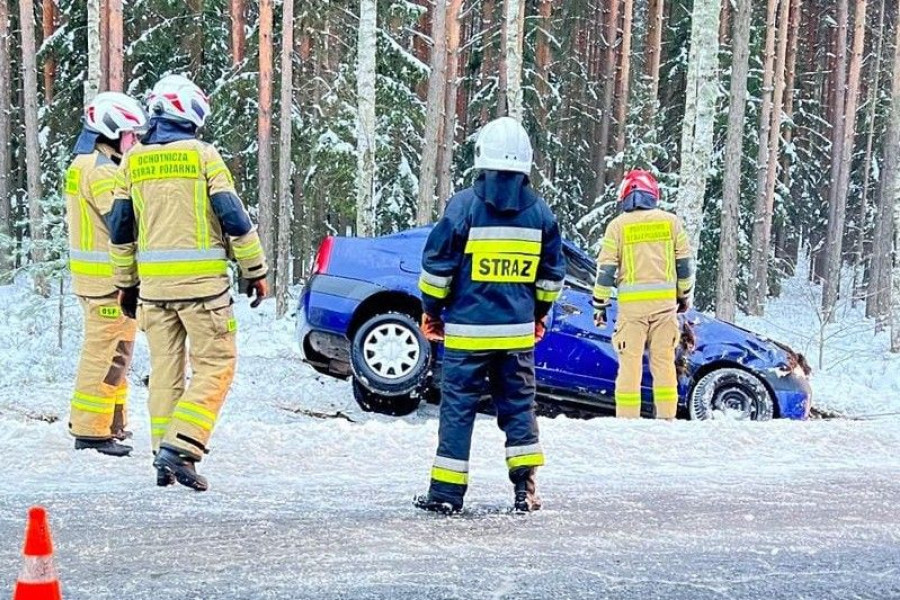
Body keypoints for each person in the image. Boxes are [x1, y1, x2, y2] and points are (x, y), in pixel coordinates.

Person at [107, 75, 268, 490]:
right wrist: (255, 271)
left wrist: (126, 284)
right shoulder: (203, 155)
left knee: (165, 372)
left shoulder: (133, 161)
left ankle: (164, 457)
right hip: (203, 291)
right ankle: (182, 447)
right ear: (191, 114)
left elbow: (121, 230)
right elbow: (234, 218)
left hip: (155, 294)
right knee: (216, 365)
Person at [414, 117, 566, 514]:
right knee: (519, 409)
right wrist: (537, 314)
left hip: (467, 336)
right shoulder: (541, 215)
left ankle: (446, 496)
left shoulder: (463, 207)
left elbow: (436, 269)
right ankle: (525, 491)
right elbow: (551, 277)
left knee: (457, 411)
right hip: (516, 337)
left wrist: (431, 312)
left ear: (481, 158)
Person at [66, 92, 148, 457]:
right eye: (131, 134)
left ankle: (111, 423)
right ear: (111, 131)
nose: (135, 140)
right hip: (106, 282)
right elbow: (120, 220)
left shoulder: (86, 163)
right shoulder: (101, 171)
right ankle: (90, 431)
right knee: (104, 354)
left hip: (100, 280)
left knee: (118, 352)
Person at [592, 170, 694, 420]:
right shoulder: (671, 223)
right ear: (653, 194)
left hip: (631, 313)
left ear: (625, 196)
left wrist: (599, 304)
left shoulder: (617, 226)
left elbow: (605, 271)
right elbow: (685, 266)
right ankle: (667, 420)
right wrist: (683, 296)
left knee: (629, 367)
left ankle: (627, 422)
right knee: (664, 365)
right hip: (665, 309)